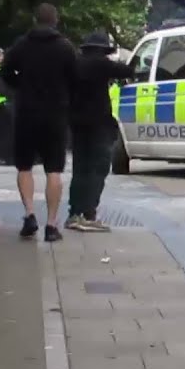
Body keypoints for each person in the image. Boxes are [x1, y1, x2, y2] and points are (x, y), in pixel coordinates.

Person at [1, 3, 79, 242]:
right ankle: (52, 225)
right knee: (53, 170)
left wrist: (21, 87)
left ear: (36, 19)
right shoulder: (65, 47)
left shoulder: (21, 45)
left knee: (24, 166)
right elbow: (75, 78)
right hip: (55, 115)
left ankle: (29, 215)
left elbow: (5, 72)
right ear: (55, 20)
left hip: (26, 113)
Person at [66, 31, 134, 233]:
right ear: (103, 50)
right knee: (99, 168)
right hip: (98, 125)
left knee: (80, 169)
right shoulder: (101, 64)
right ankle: (88, 213)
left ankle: (74, 213)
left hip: (77, 125)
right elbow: (126, 70)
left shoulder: (75, 64)